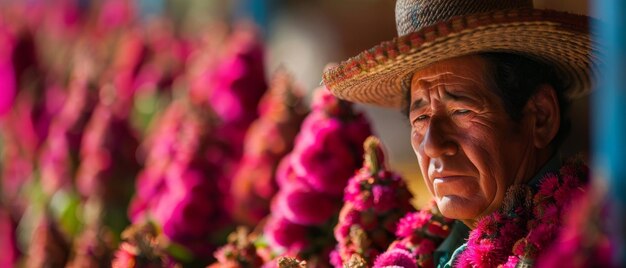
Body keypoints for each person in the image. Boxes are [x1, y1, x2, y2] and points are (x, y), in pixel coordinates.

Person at [323, 0, 600, 267]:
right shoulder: (430, 246)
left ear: (541, 117)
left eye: (461, 112)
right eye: (420, 118)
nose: (433, 145)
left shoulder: (586, 245)